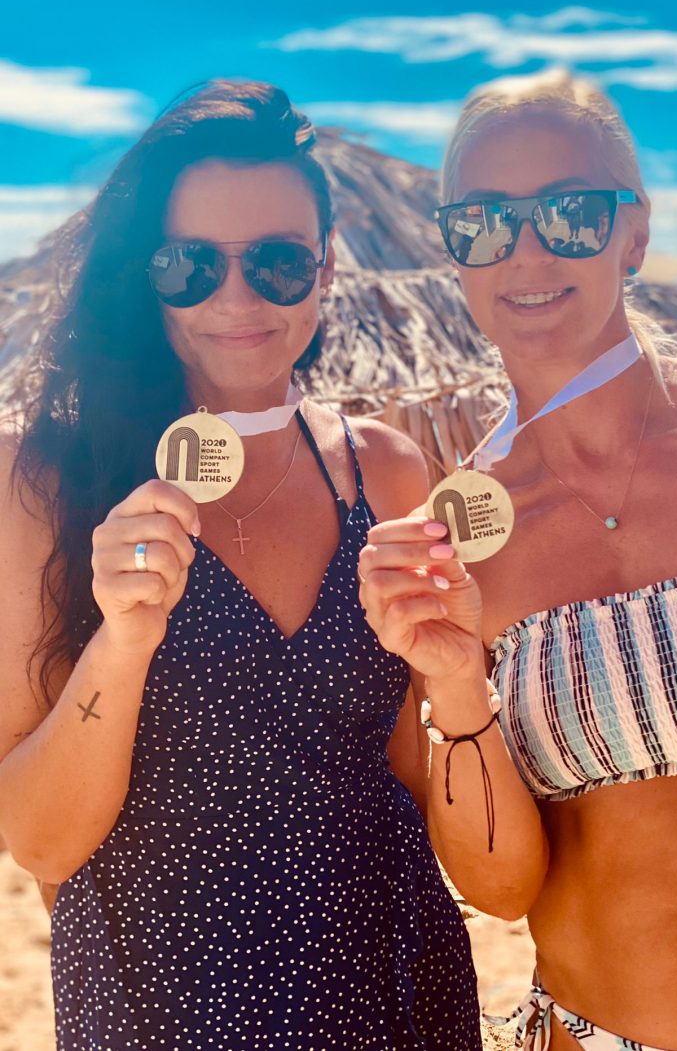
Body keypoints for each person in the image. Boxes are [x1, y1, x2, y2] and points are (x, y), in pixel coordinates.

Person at [0, 81, 481, 1050]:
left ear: (326, 265)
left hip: (394, 991)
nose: (235, 299)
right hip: (164, 1009)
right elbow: (41, 842)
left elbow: (407, 778)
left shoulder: (384, 469)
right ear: (146, 273)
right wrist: (123, 642)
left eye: (277, 261)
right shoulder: (45, 480)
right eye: (189, 265)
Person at [358, 69, 677, 1051]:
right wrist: (452, 681)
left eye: (569, 213)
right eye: (482, 222)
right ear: (453, 249)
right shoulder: (453, 545)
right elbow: (499, 886)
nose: (525, 250)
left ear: (632, 232)